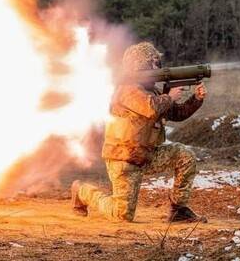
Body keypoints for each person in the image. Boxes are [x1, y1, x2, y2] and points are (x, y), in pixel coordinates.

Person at [71, 42, 207, 222]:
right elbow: (150, 108)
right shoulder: (127, 90)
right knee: (122, 214)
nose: (157, 67)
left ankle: (178, 210)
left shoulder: (152, 91)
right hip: (124, 159)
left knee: (185, 155)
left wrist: (196, 99)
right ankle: (82, 191)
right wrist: (170, 96)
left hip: (147, 155)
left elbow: (175, 113)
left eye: (157, 63)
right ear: (139, 65)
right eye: (152, 63)